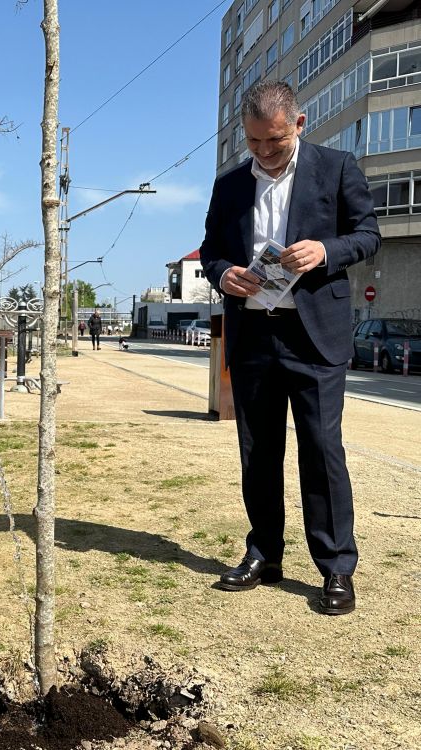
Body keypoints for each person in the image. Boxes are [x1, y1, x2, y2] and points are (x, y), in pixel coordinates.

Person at [199, 81, 380, 616]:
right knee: (258, 453)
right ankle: (264, 553)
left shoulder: (337, 167)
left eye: (274, 141)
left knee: (322, 453)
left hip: (314, 337)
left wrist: (326, 249)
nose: (264, 152)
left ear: (298, 125)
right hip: (254, 336)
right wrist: (224, 273)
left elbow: (369, 234)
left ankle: (336, 567)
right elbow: (211, 250)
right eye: (254, 143)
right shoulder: (230, 185)